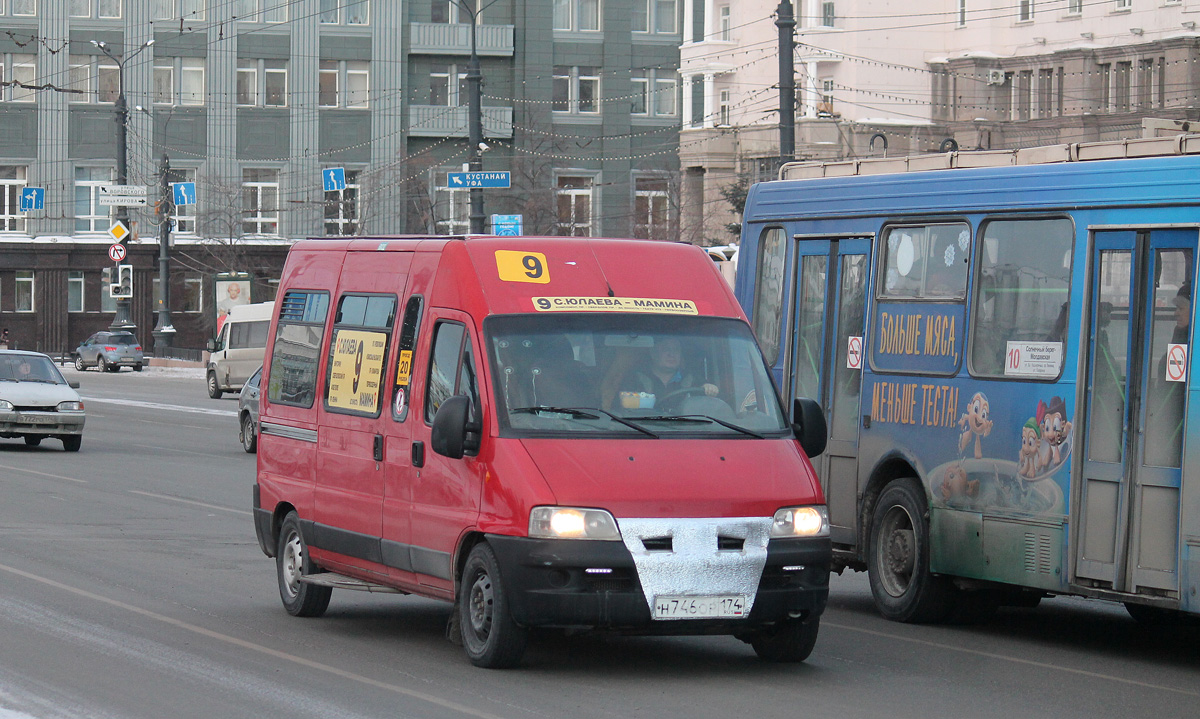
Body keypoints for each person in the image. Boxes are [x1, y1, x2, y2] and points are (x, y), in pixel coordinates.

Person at [620, 336, 717, 409]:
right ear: (653, 353)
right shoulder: (634, 379)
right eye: (666, 349)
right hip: (642, 430)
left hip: (686, 431)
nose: (672, 354)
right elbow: (624, 410)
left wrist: (709, 388)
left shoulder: (692, 378)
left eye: (676, 350)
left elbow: (708, 401)